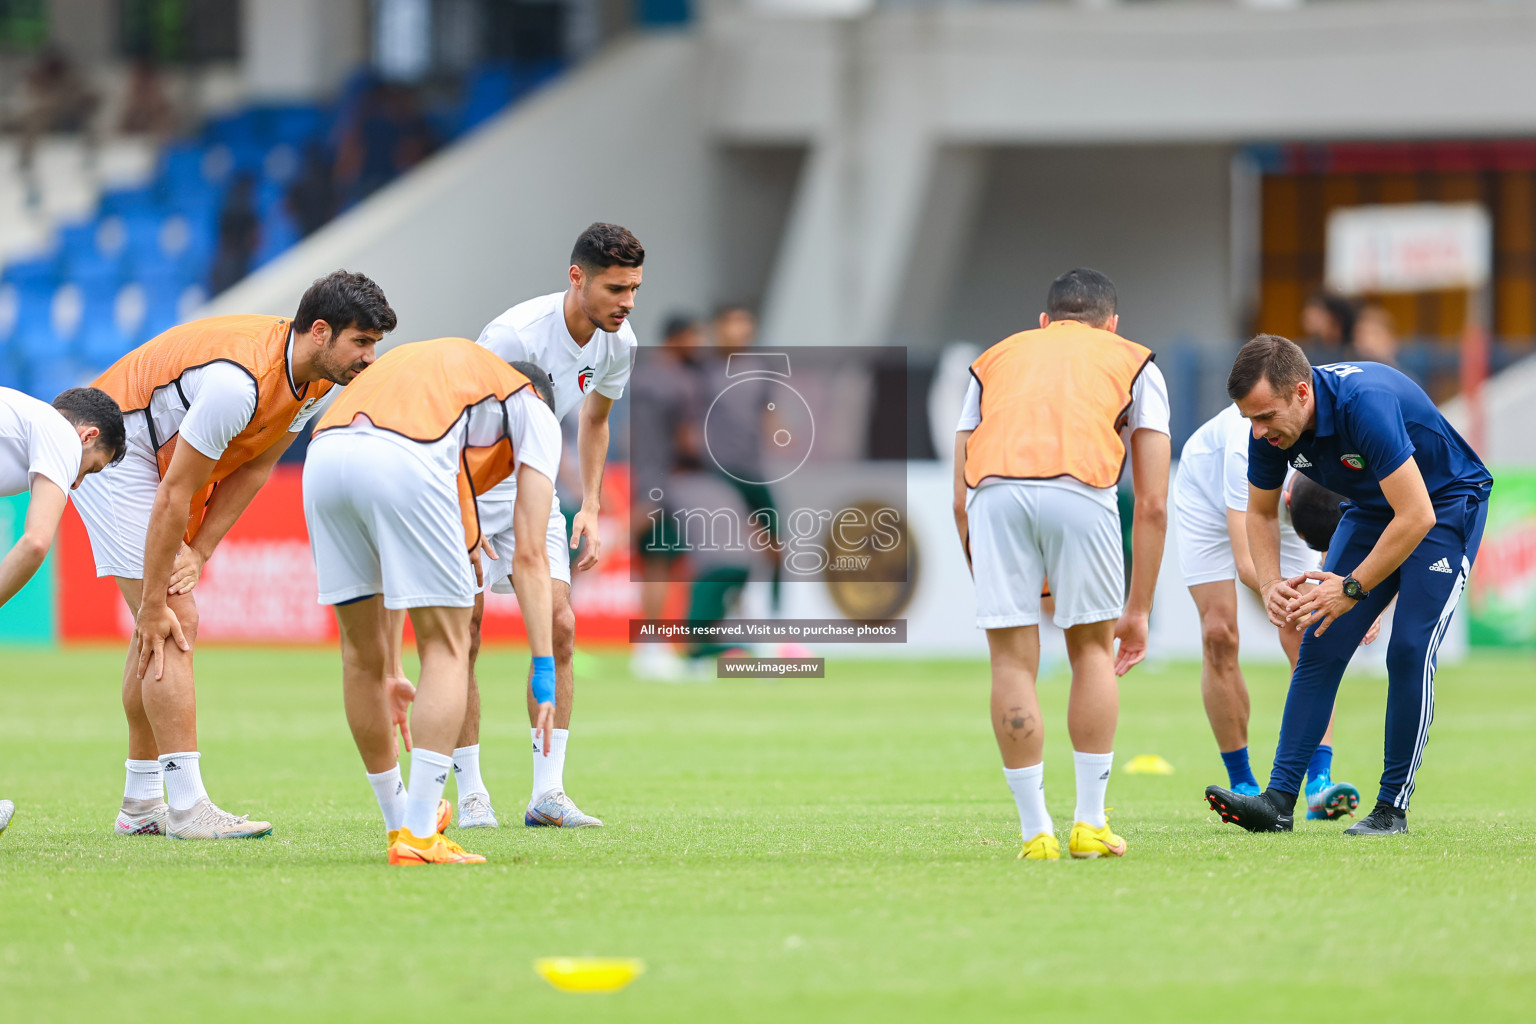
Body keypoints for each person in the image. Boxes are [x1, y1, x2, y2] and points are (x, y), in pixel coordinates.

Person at [72, 270, 395, 840]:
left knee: (159, 622)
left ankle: (141, 801)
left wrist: (200, 550)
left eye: (375, 344)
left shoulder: (315, 381)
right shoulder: (237, 385)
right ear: (320, 332)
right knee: (173, 616)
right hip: (114, 445)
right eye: (362, 342)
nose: (370, 358)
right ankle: (186, 807)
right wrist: (154, 598)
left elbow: (256, 467)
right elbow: (174, 490)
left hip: (156, 456)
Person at [385, 222, 641, 830]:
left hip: (535, 486)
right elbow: (454, 431)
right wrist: (466, 525)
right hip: (465, 484)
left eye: (634, 289)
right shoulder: (510, 337)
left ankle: (547, 793)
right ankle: (471, 792)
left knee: (560, 624)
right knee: (463, 637)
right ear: (576, 278)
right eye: (615, 288)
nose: (626, 303)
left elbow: (596, 421)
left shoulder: (619, 343)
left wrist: (594, 507)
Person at [1205, 335, 1491, 836]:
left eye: (1266, 416)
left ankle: (1391, 808)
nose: (1258, 430)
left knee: (1408, 650)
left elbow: (1417, 514)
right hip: (1375, 508)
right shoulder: (1270, 432)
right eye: (1250, 419)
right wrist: (1270, 583)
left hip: (1444, 506)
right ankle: (1278, 801)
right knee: (1318, 639)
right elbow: (1259, 513)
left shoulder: (1365, 407)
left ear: (1301, 392)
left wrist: (1353, 588)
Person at [305, 341, 562, 865]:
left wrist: (394, 666)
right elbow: (531, 554)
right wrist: (543, 669)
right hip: (401, 456)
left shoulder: (441, 379)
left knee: (360, 656)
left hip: (323, 456)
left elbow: (397, 568)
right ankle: (421, 835)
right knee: (448, 643)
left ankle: (399, 823)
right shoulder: (533, 409)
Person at [953, 268, 1170, 862]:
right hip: (1084, 490)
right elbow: (1151, 503)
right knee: (1093, 652)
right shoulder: (1135, 361)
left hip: (991, 495)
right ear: (1112, 324)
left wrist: (990, 578)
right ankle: (1090, 824)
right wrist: (1140, 608)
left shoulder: (993, 358)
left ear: (1044, 321)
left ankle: (1034, 833)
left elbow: (958, 495)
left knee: (1011, 660)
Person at [1174, 408, 1367, 820]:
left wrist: (1355, 594)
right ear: (1288, 501)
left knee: (1309, 632)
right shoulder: (1243, 452)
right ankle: (1243, 781)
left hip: (1281, 509)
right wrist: (1275, 591)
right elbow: (1248, 564)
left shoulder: (1336, 456)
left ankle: (1318, 784)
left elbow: (1347, 562)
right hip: (1209, 500)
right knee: (1219, 633)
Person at [0, 386, 126, 837]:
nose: (76, 483)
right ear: (87, 435)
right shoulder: (57, 432)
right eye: (88, 468)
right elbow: (36, 542)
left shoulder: (21, 427)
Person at [628, 314, 705, 680]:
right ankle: (653, 648)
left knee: (653, 567)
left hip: (644, 481)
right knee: (663, 566)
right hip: (668, 486)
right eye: (695, 336)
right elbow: (688, 440)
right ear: (679, 338)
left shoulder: (642, 377)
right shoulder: (679, 382)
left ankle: (650, 648)